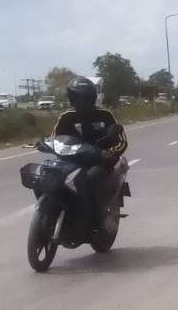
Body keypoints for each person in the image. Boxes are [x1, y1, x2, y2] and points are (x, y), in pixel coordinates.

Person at [53, 77, 127, 230]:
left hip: (99, 162)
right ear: (71, 98)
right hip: (72, 160)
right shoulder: (66, 117)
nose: (81, 101)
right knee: (51, 176)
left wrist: (110, 153)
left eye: (85, 97)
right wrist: (44, 143)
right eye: (77, 97)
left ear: (92, 97)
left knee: (87, 179)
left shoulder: (105, 115)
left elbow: (121, 141)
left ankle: (91, 218)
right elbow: (56, 139)